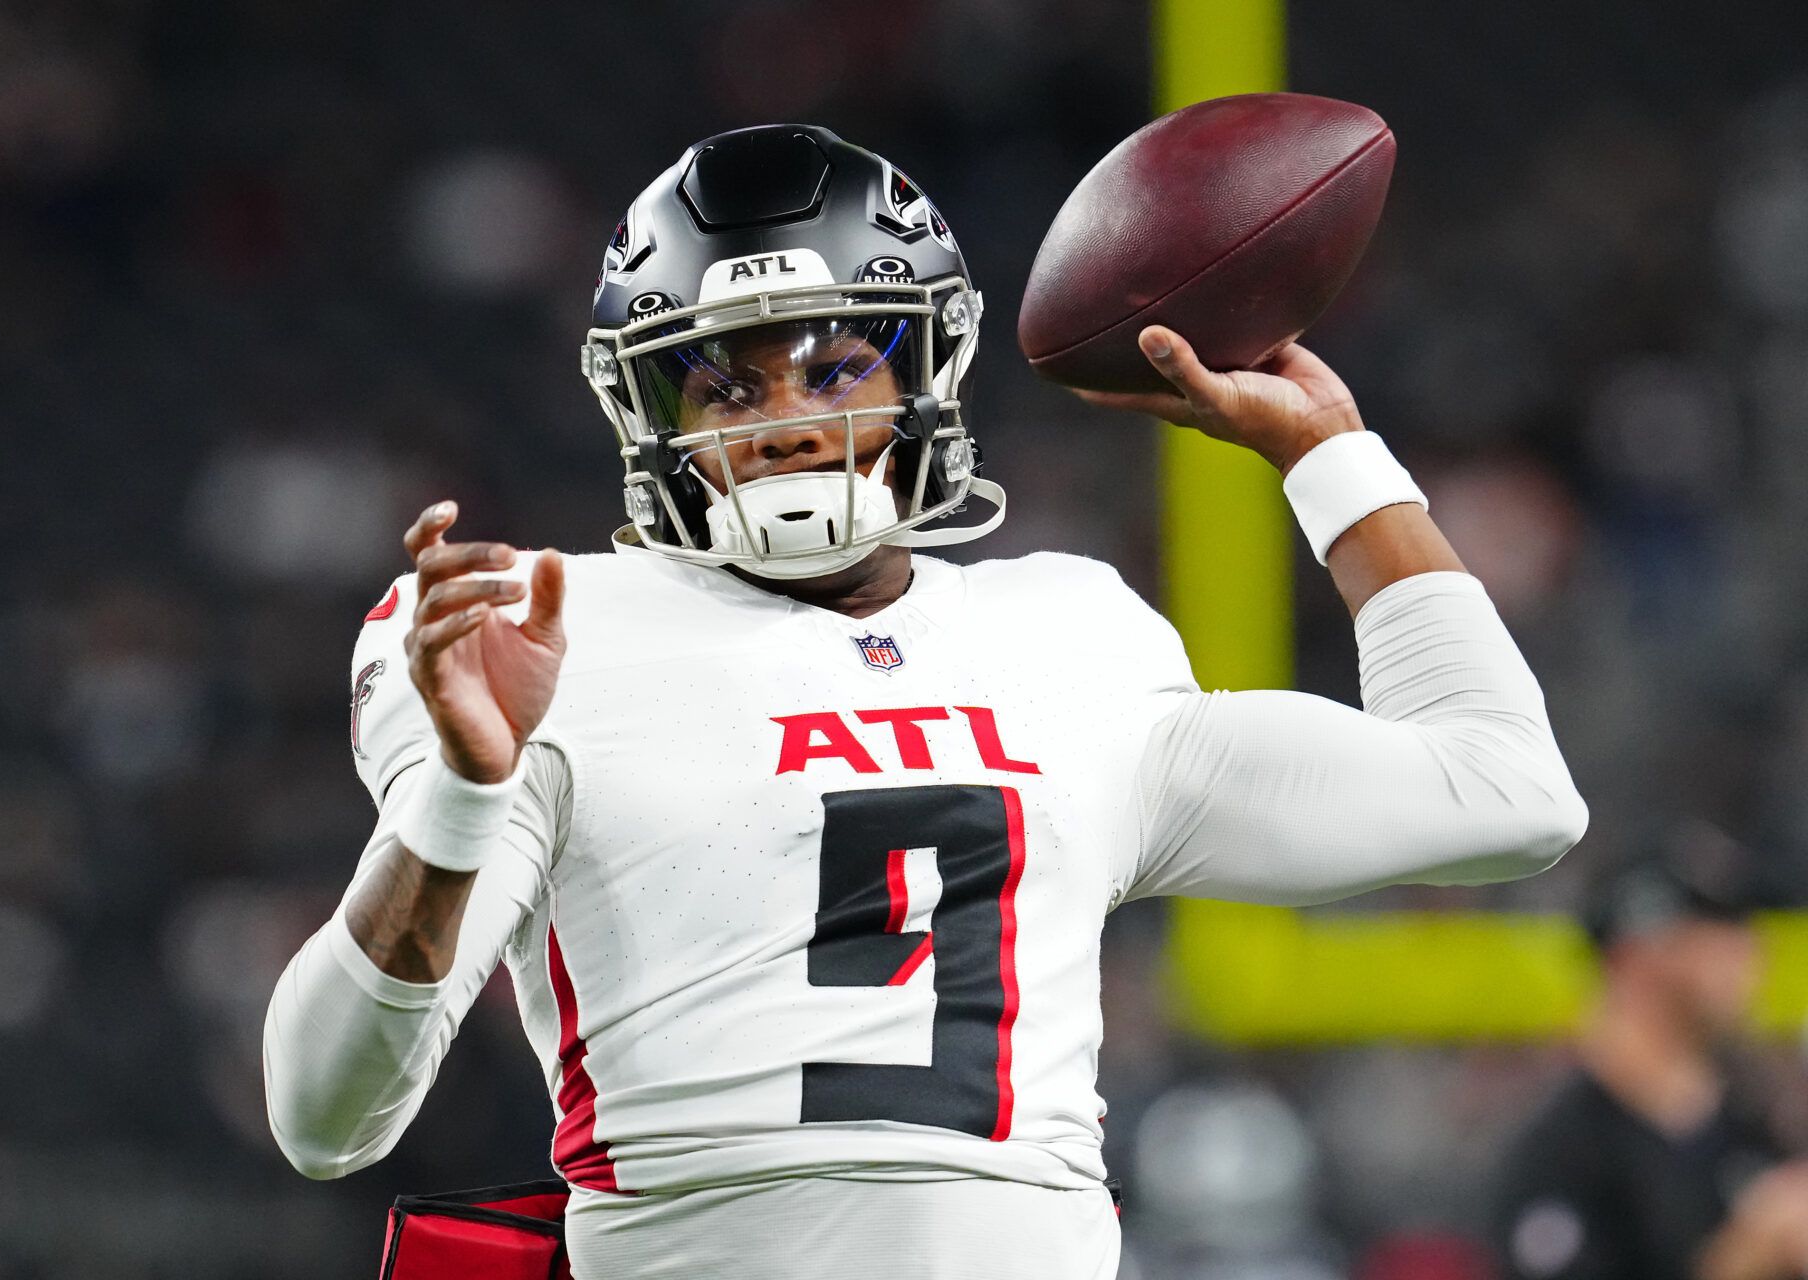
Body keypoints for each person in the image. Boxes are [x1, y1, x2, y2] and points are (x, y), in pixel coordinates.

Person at [262, 124, 1588, 1278]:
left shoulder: (1066, 633)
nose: (782, 420)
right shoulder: (538, 632)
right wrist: (460, 791)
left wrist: (1331, 458)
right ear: (645, 409)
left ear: (924, 374)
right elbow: (326, 1117)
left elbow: (1505, 793)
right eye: (725, 379)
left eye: (836, 366)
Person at [1492, 825, 1808, 1280]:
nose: (1749, 949)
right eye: (1719, 925)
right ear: (1636, 951)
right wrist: (1739, 1262)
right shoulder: (1559, 1156)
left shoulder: (1754, 1128)